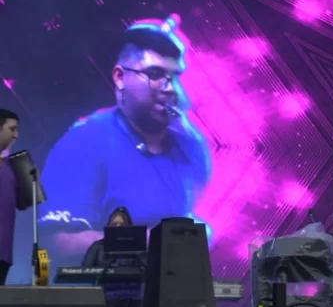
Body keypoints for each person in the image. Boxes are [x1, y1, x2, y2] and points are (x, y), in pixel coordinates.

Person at [40, 18, 211, 261]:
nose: (170, 88)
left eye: (175, 77)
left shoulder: (184, 146)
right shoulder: (84, 142)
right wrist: (152, 242)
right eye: (154, 74)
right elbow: (56, 243)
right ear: (120, 77)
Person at [0, 110, 20, 285]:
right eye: (12, 129)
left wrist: (32, 182)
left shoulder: (11, 166)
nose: (16, 135)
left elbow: (22, 203)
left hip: (3, 253)